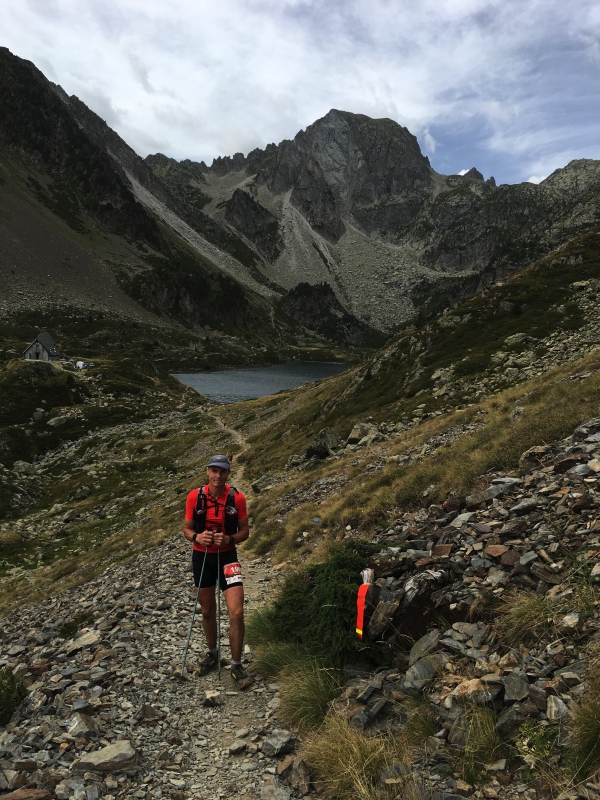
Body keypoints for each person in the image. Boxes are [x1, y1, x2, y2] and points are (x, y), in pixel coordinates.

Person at [183, 454, 251, 687]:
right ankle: (212, 653)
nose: (218, 476)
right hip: (202, 557)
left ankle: (236, 665)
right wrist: (197, 537)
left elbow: (245, 531)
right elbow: (187, 528)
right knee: (207, 610)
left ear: (228, 473)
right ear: (207, 471)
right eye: (214, 471)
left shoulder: (237, 497)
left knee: (237, 612)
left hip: (228, 558)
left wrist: (229, 538)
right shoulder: (194, 496)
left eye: (222, 471)